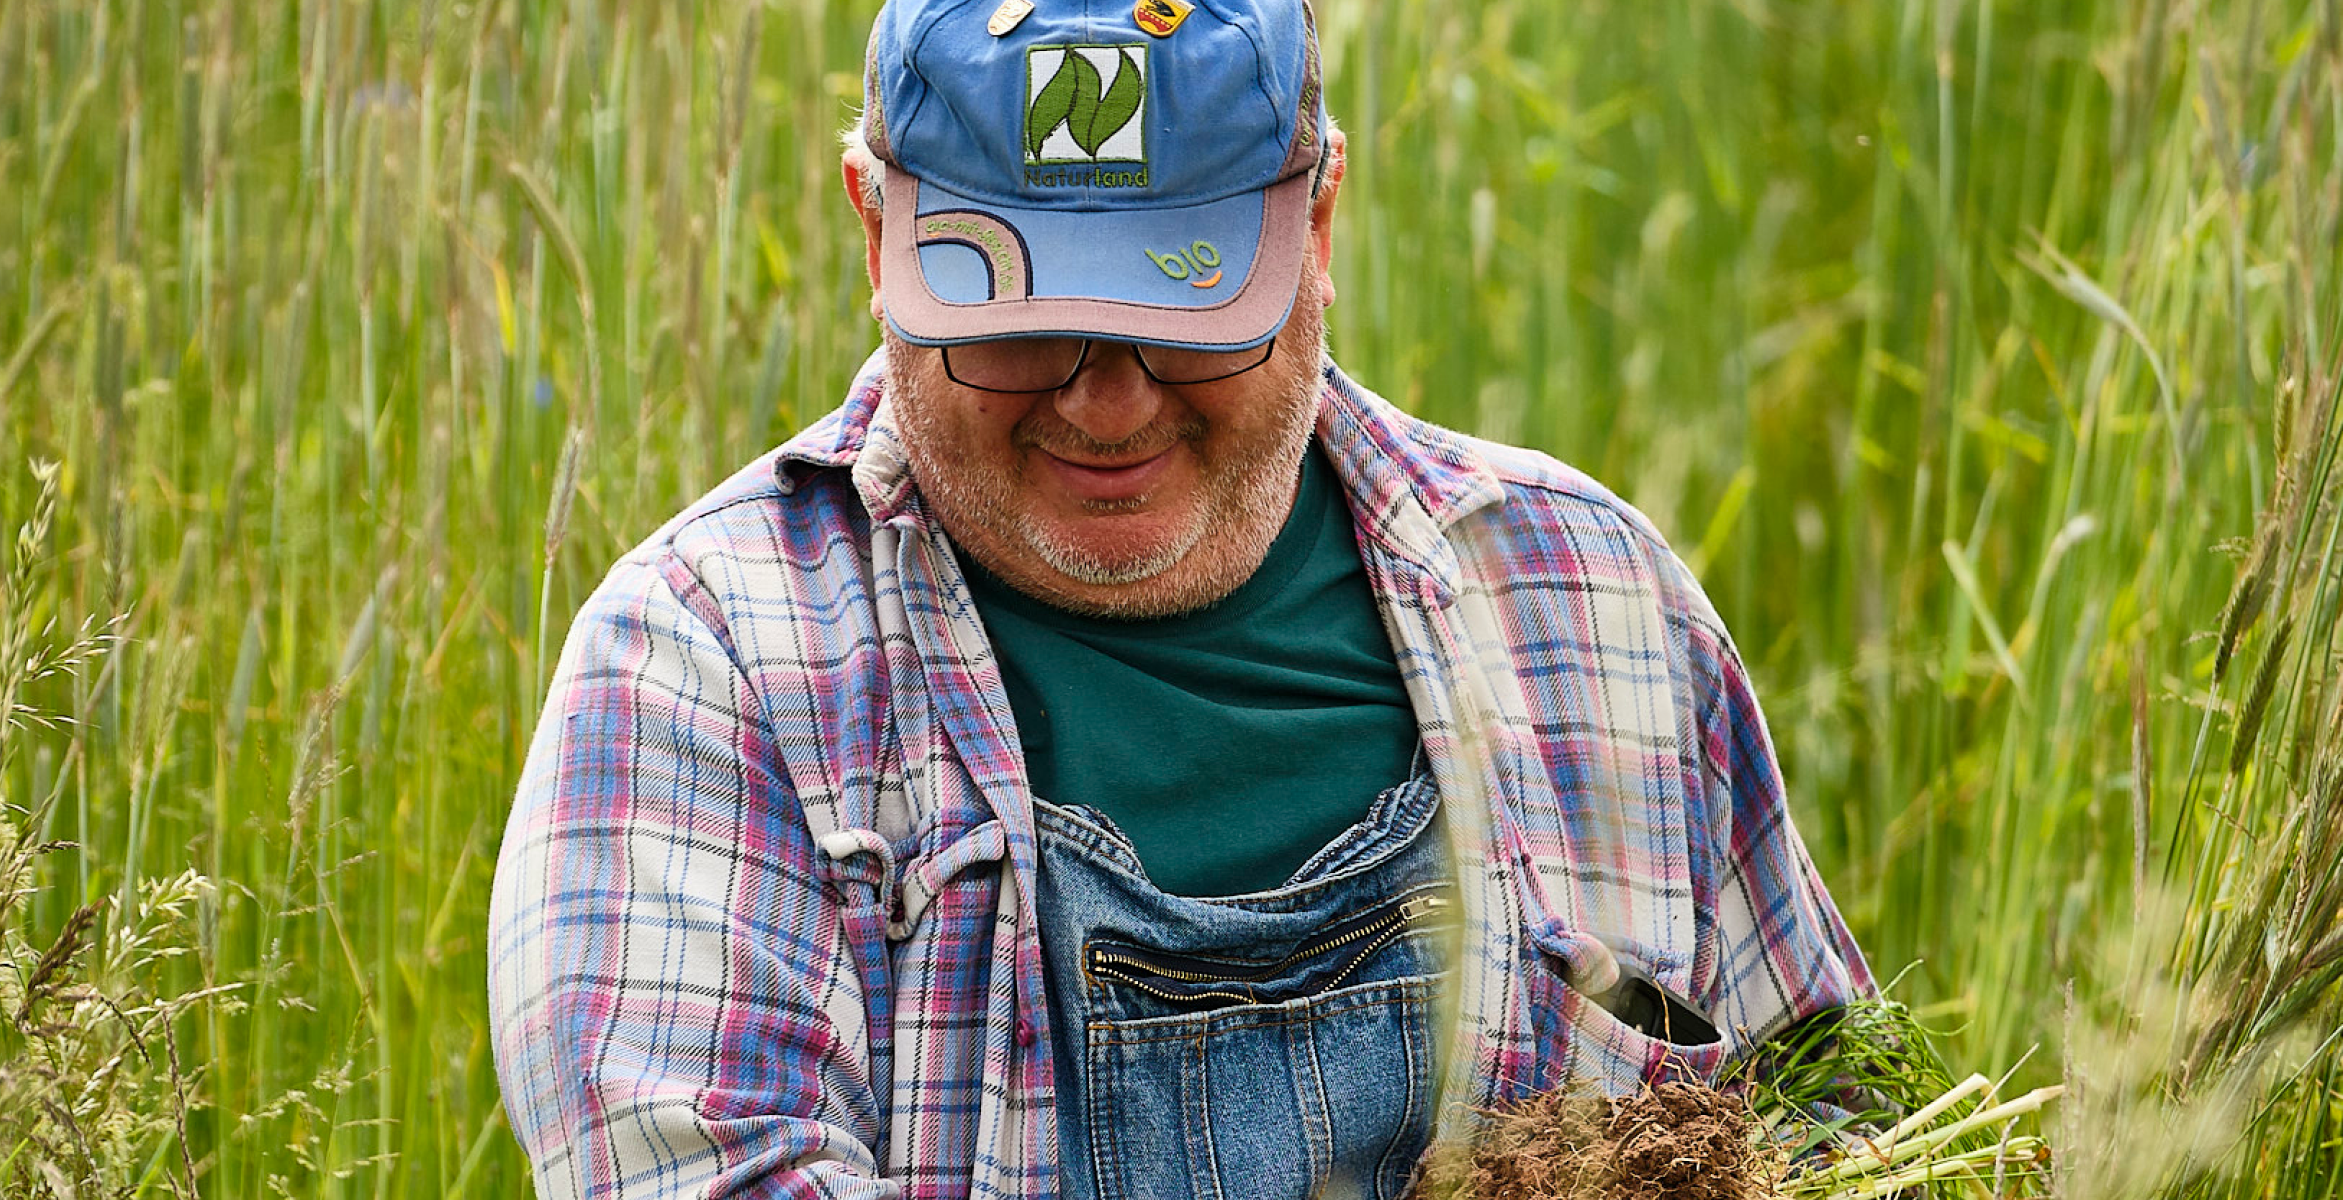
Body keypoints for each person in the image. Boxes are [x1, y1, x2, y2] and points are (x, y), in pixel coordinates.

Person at [487, 0, 1874, 1195]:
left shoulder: (1587, 602)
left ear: (1319, 218)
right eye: (1022, 323)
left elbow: (1835, 1119)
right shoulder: (705, 674)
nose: (1105, 399)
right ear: (874, 230)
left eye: (1181, 309)